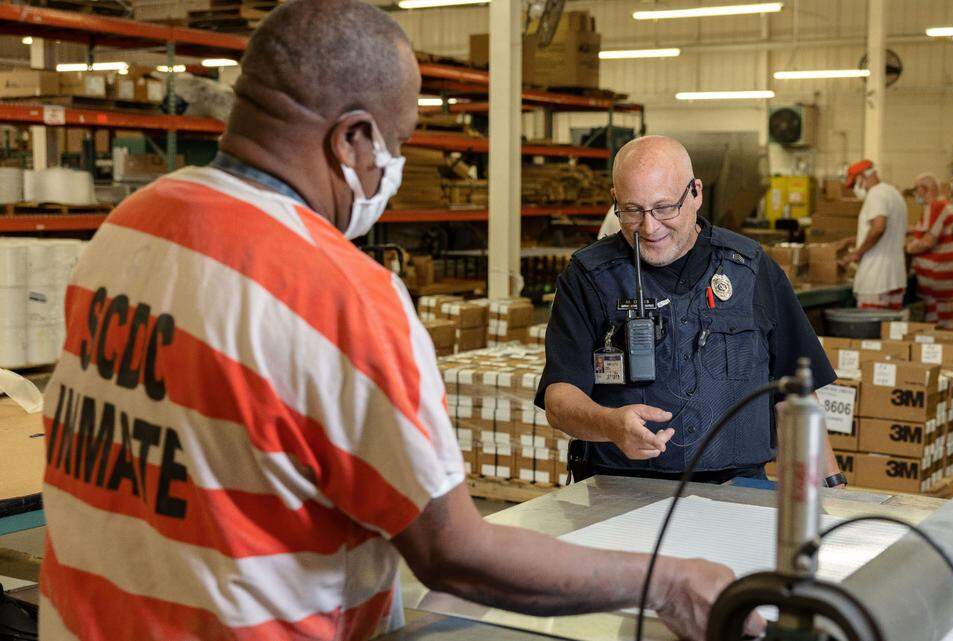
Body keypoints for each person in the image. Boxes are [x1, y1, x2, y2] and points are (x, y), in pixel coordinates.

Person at [36, 3, 742, 640]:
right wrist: (670, 580)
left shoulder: (129, 227)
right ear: (353, 140)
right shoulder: (336, 292)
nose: (395, 167)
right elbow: (453, 553)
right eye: (397, 143)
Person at [537, 135, 846, 487]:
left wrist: (829, 489)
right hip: (620, 489)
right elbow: (559, 400)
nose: (649, 228)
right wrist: (609, 424)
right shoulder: (589, 277)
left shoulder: (750, 269)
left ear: (695, 193)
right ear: (614, 201)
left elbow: (796, 395)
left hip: (737, 492)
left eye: (665, 208)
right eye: (632, 210)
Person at [838, 159, 908, 310]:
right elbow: (889, 231)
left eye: (854, 183)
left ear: (862, 176)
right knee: (889, 331)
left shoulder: (876, 194)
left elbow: (878, 228)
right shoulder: (894, 193)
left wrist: (856, 253)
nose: (855, 189)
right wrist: (853, 240)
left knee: (870, 330)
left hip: (876, 280)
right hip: (895, 276)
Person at [907, 173, 953, 329]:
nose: (916, 194)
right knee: (947, 327)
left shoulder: (936, 207)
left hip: (941, 281)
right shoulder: (948, 206)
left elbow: (927, 241)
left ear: (925, 189)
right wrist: (911, 230)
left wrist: (908, 249)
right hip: (946, 280)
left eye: (916, 190)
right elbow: (934, 231)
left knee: (940, 331)